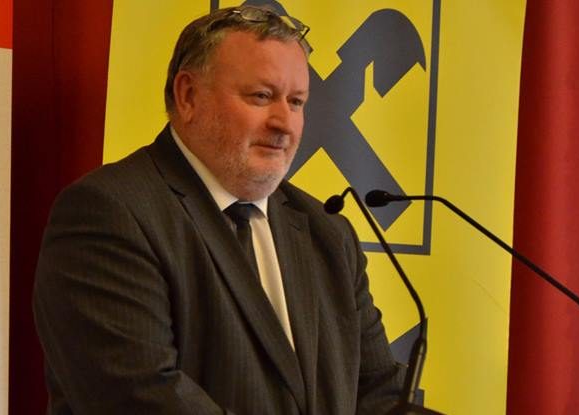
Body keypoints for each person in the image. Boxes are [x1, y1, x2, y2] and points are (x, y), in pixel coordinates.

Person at [33, 6, 403, 414]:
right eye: (261, 96)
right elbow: (140, 397)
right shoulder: (110, 213)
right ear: (188, 95)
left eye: (296, 102)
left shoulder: (328, 232)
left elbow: (380, 394)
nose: (284, 122)